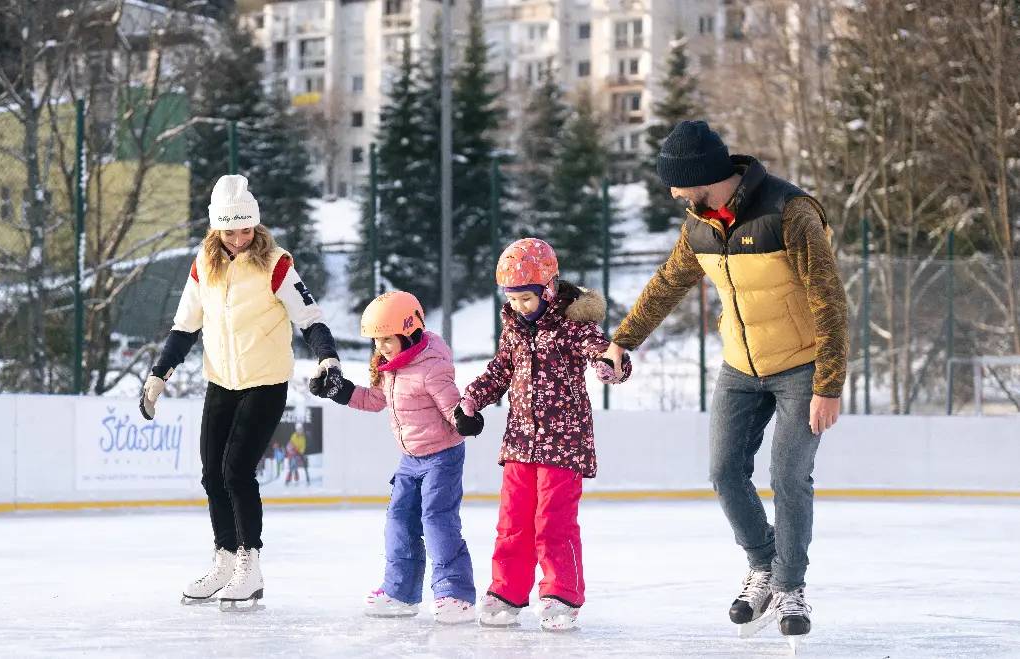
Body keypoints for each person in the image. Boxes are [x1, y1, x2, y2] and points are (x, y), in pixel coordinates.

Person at [602, 120, 849, 645]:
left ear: (702, 176)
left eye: (676, 183)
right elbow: (669, 283)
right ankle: (763, 566)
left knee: (788, 476)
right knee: (723, 471)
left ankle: (789, 587)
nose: (672, 193)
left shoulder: (790, 211)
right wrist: (624, 339)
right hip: (740, 366)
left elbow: (829, 299)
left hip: (801, 366)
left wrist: (829, 384)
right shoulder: (699, 224)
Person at [139, 174, 345, 611]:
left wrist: (328, 358)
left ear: (257, 225)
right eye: (230, 231)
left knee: (236, 471)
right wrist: (160, 374)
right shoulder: (203, 265)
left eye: (246, 229)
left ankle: (250, 566)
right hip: (221, 382)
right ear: (216, 230)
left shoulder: (277, 264)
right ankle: (225, 558)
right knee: (212, 475)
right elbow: (184, 326)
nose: (239, 238)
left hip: (265, 381)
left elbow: (311, 319)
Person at [460, 238, 632, 632]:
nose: (519, 306)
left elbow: (604, 350)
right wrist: (471, 400)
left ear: (548, 289)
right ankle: (507, 592)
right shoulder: (514, 331)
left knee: (552, 522)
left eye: (527, 298)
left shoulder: (574, 325)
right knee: (513, 521)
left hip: (564, 443)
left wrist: (611, 366)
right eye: (513, 298)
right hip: (519, 442)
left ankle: (561, 595)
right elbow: (500, 371)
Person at [314, 291, 479, 624]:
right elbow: (375, 400)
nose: (381, 347)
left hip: (442, 456)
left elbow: (451, 405)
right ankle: (400, 592)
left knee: (437, 520)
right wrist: (339, 390)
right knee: (398, 521)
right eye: (376, 341)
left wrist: (464, 418)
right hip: (410, 459)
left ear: (409, 330)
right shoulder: (390, 367)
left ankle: (455, 594)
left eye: (386, 339)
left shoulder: (432, 365)